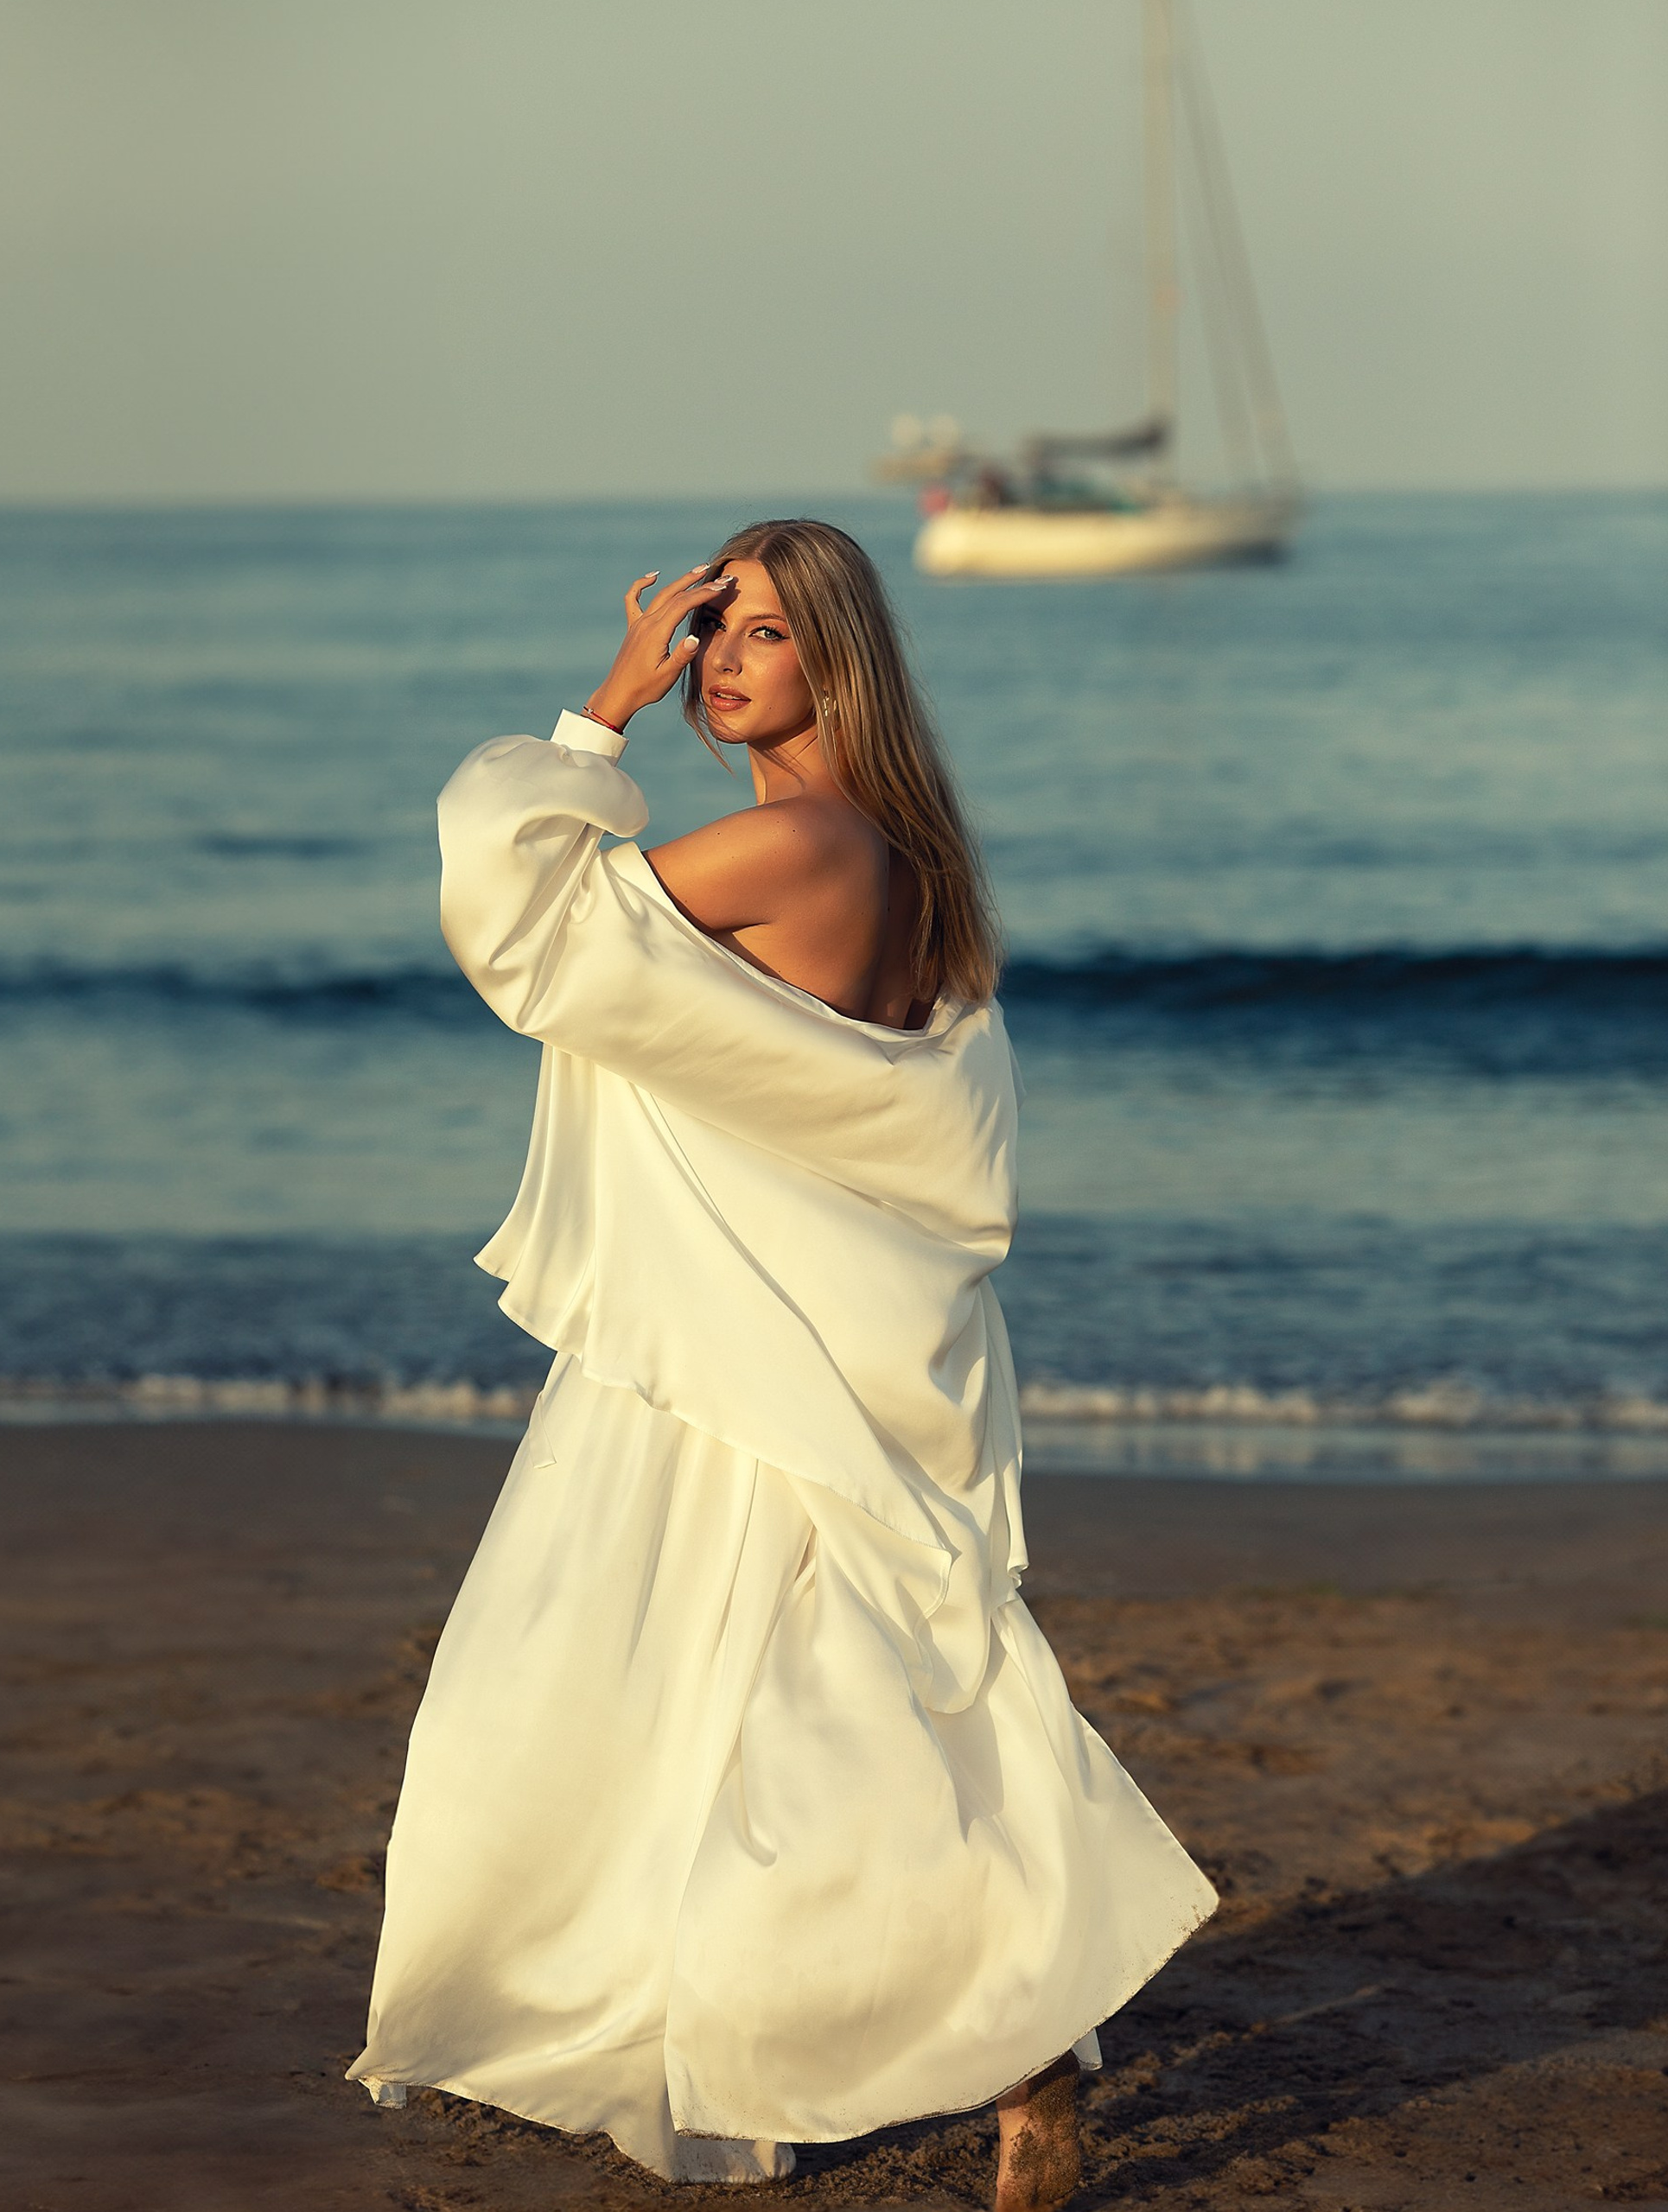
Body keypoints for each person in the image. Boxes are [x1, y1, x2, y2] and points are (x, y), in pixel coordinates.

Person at [347, 519, 1215, 2208]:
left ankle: (986, 2031)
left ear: (837, 658)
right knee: (837, 1711)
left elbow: (523, 924)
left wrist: (597, 706)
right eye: (703, 631)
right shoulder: (897, 848)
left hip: (755, 1357)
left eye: (753, 630)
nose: (715, 659)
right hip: (833, 1335)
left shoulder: (790, 844)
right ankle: (1010, 2042)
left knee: (618, 1694)